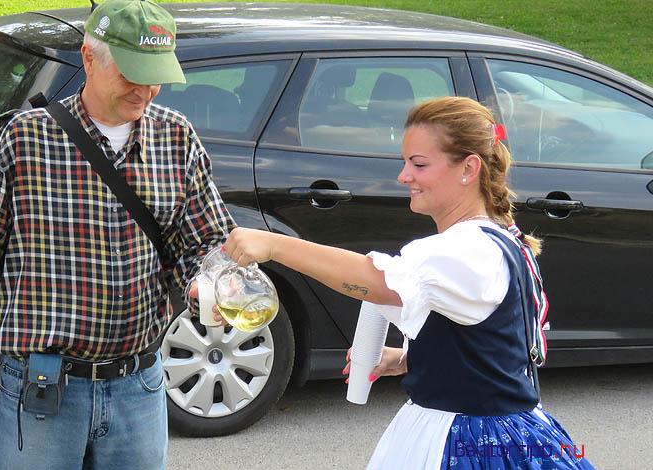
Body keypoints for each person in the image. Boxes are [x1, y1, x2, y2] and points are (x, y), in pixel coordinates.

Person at [0, 0, 235, 468]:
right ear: (88, 59)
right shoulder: (25, 140)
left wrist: (209, 282)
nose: (145, 90)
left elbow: (206, 243)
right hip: (39, 389)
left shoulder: (177, 137)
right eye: (131, 74)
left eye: (155, 75)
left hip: (137, 387)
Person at [223, 96, 594, 469]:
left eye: (418, 164)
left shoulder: (466, 249)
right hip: (509, 430)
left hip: (470, 439)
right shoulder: (497, 238)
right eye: (405, 163)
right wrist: (413, 359)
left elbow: (374, 281)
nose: (403, 176)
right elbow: (497, 346)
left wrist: (274, 244)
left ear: (468, 169)